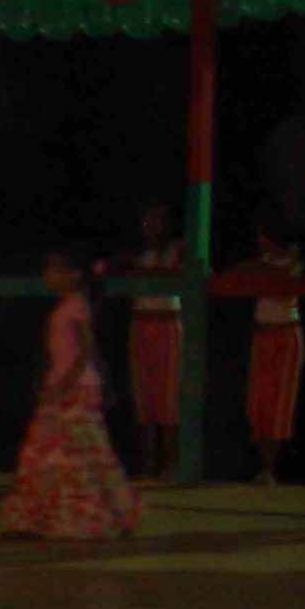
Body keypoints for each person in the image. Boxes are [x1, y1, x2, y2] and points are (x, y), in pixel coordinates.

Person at [0, 252, 142, 541]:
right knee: (54, 451)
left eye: (55, 269)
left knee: (76, 454)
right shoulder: (68, 305)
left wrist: (64, 385)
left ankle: (86, 515)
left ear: (74, 275)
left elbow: (86, 350)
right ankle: (45, 516)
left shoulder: (77, 305)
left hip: (75, 389)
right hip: (65, 386)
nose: (48, 275)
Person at [124, 203, 184, 480]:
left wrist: (146, 274)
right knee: (143, 392)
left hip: (167, 324)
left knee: (169, 394)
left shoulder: (177, 249)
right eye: (146, 220)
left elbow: (187, 274)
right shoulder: (137, 253)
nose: (149, 226)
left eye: (156, 220)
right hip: (141, 323)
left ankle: (171, 461)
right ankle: (147, 462)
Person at [243, 226, 304, 486]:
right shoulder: (262, 261)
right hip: (261, 336)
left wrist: (260, 267)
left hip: (285, 337)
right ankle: (262, 467)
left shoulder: (294, 261)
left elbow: (286, 277)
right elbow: (240, 271)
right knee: (258, 401)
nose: (259, 240)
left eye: (263, 235)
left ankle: (269, 469)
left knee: (279, 402)